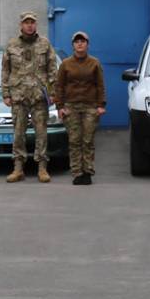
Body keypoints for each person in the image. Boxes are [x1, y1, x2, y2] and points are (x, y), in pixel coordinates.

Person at [2, 12, 57, 183]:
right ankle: (18, 169)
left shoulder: (44, 43)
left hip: (39, 96)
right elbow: (5, 69)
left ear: (36, 25)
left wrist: (53, 92)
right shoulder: (12, 45)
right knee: (18, 134)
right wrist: (5, 93)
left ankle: (42, 168)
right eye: (26, 22)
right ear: (21, 25)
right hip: (18, 96)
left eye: (32, 22)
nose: (29, 25)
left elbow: (52, 68)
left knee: (42, 134)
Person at [55, 30, 105, 185]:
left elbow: (100, 85)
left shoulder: (94, 63)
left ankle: (88, 172)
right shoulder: (65, 64)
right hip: (71, 107)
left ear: (87, 44)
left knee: (88, 140)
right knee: (75, 140)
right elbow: (60, 86)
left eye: (83, 41)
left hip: (90, 106)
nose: (80, 44)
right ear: (73, 45)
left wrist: (101, 105)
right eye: (77, 41)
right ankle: (77, 172)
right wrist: (60, 106)